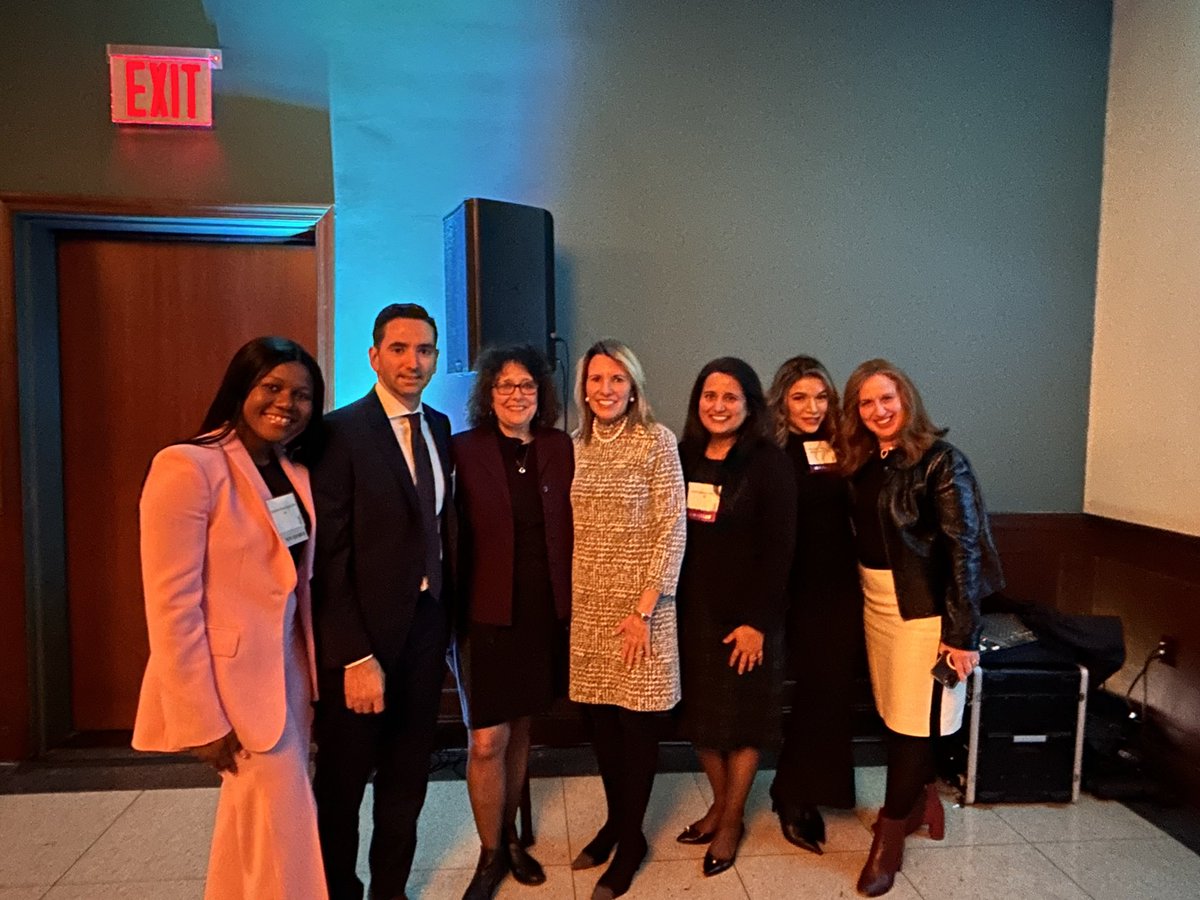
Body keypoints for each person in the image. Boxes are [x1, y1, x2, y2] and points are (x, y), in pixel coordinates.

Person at [132, 336, 327, 900]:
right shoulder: (187, 466)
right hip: (229, 685)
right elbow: (171, 605)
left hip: (288, 674)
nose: (287, 404)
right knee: (286, 818)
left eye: (303, 395)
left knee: (253, 822)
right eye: (273, 388)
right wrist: (200, 717)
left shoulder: (293, 470)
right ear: (241, 387)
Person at [840, 358, 1003, 897]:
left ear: (906, 399)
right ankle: (920, 801)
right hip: (876, 603)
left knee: (915, 721)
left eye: (887, 398)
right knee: (896, 714)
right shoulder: (864, 460)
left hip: (925, 610)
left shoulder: (942, 462)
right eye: (866, 402)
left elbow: (964, 551)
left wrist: (961, 635)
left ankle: (889, 836)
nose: (878, 410)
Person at [310, 303, 455, 900]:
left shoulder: (440, 427)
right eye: (398, 349)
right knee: (343, 788)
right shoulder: (339, 432)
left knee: (406, 777)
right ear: (374, 356)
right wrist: (352, 656)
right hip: (361, 643)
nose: (412, 361)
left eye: (423, 350)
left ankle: (389, 890)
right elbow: (328, 558)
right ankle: (339, 890)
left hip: (424, 631)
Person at [450, 345, 573, 899]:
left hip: (542, 608)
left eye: (527, 386)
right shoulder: (463, 449)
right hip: (484, 611)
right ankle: (490, 850)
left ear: (541, 394)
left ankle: (513, 837)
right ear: (488, 394)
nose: (517, 395)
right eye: (506, 386)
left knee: (523, 725)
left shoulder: (559, 446)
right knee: (485, 740)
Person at [568, 339, 686, 900]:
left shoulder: (656, 443)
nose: (606, 389)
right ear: (583, 387)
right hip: (588, 613)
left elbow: (673, 530)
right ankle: (616, 823)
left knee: (637, 731)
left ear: (633, 386)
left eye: (617, 379)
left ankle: (632, 840)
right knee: (602, 731)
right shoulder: (575, 446)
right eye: (596, 379)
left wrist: (644, 609)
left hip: (643, 612)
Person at [674, 358, 796, 878]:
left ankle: (730, 820)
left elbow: (780, 548)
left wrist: (758, 622)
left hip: (749, 614)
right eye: (709, 396)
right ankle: (722, 807)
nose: (718, 406)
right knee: (702, 719)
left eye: (730, 397)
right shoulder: (681, 455)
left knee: (745, 719)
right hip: (691, 610)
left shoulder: (769, 462)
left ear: (749, 405)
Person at [765, 356, 864, 853]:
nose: (812, 407)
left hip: (841, 585)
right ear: (783, 398)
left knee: (831, 690)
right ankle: (790, 792)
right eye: (801, 397)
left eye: (822, 397)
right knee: (810, 689)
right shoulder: (769, 449)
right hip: (793, 587)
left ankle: (811, 788)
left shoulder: (842, 447)